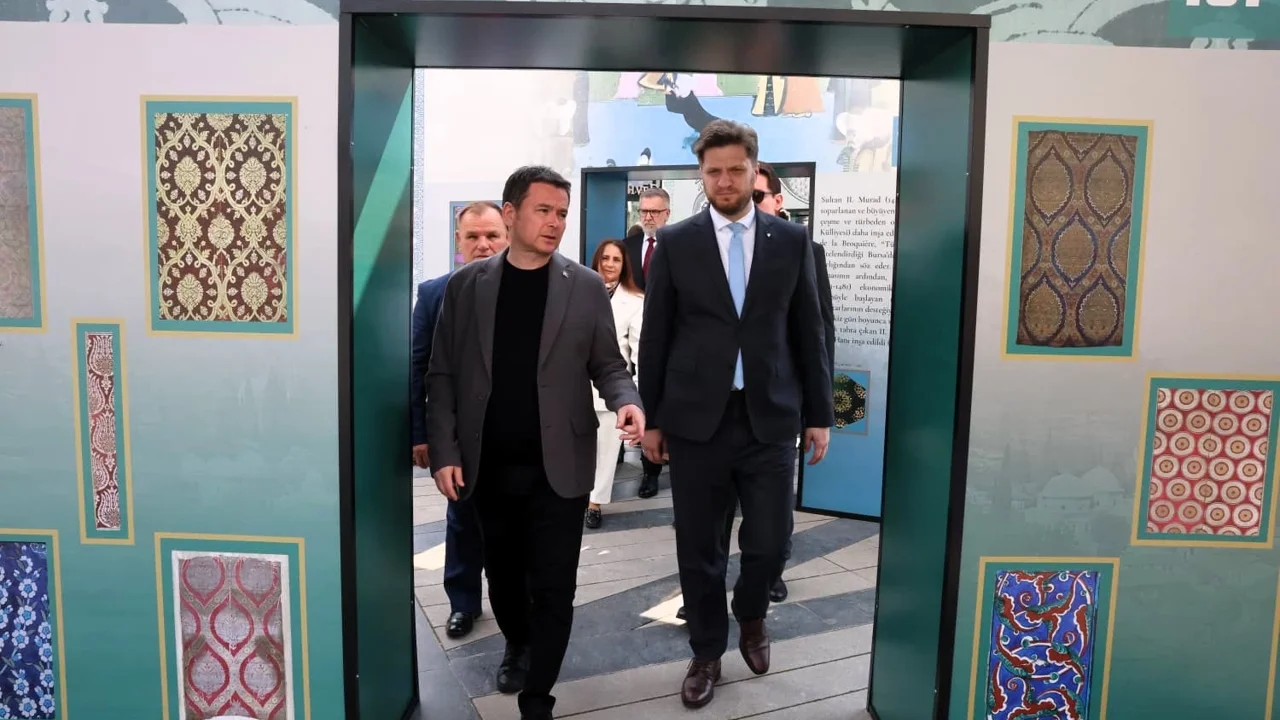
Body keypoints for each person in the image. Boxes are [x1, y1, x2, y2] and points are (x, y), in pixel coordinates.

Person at [426, 165, 646, 720]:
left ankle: (537, 698)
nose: (555, 223)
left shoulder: (585, 286)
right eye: (543, 210)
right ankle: (518, 642)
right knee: (502, 581)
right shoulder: (467, 287)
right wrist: (445, 452)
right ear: (511, 212)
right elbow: (442, 374)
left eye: (562, 213)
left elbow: (608, 364)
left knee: (554, 587)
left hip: (560, 465)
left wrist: (627, 400)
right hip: (490, 466)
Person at [638, 120, 833, 710]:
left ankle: (750, 612)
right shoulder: (676, 243)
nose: (724, 181)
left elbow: (810, 331)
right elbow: (656, 335)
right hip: (696, 422)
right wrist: (653, 418)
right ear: (702, 176)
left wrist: (820, 413)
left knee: (770, 543)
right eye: (713, 171)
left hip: (769, 417)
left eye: (735, 170)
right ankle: (705, 652)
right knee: (699, 548)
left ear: (755, 170)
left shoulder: (791, 242)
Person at [410, 201, 507, 639]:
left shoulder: (530, 289)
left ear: (507, 235)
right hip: (460, 436)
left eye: (492, 235)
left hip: (518, 432)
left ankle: (514, 605)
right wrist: (421, 435)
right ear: (458, 242)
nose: (483, 244)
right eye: (473, 237)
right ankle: (463, 604)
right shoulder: (434, 294)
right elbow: (417, 366)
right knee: (462, 519)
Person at [585, 239, 645, 530]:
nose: (609, 264)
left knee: (606, 452)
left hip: (610, 392)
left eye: (616, 259)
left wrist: (635, 397)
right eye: (605, 257)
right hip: (574, 389)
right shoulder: (578, 291)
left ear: (624, 266)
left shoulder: (635, 302)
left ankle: (594, 503)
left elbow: (638, 353)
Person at [624, 187, 672, 498]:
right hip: (634, 338)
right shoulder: (627, 246)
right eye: (644, 211)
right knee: (643, 399)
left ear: (667, 213)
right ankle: (649, 473)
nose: (648, 217)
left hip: (672, 335)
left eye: (655, 211)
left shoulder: (680, 244)